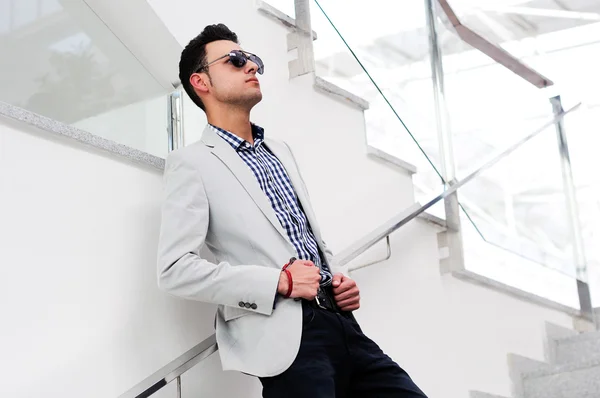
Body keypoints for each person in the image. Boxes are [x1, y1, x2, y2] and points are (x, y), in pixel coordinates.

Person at [157, 23, 427, 398]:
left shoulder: (280, 150)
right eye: (235, 60)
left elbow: (304, 239)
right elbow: (175, 270)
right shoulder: (192, 163)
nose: (250, 65)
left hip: (343, 324)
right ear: (201, 82)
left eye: (251, 58)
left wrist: (336, 280)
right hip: (287, 341)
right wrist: (278, 282)